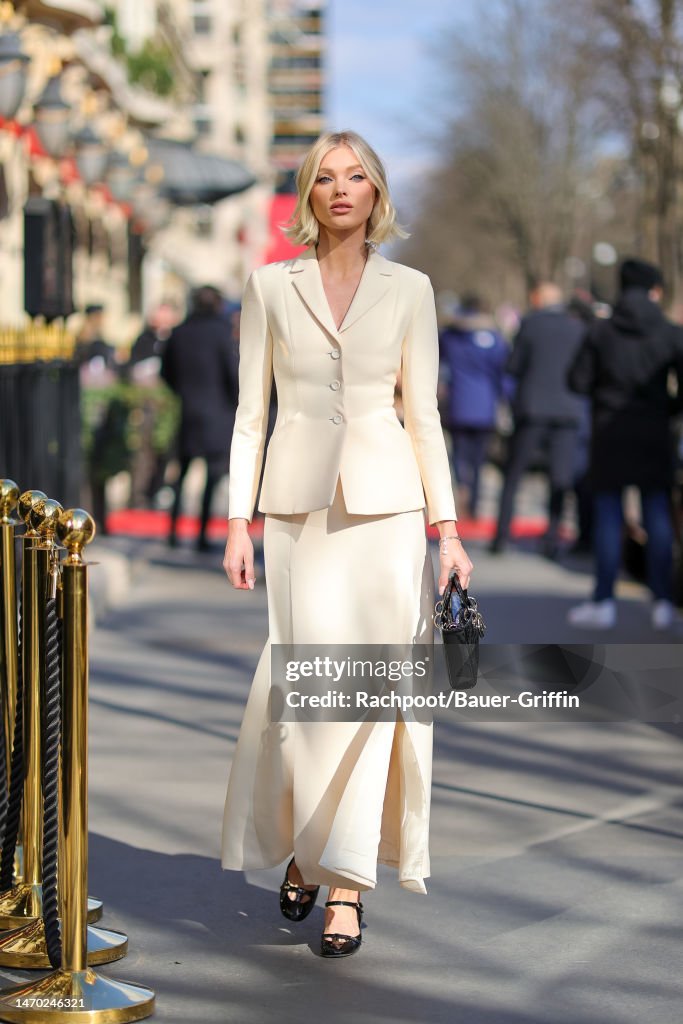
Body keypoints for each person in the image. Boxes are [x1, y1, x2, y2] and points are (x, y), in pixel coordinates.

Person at [221, 129, 473, 958]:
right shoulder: (267, 286)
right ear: (307, 193)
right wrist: (237, 520)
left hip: (389, 514)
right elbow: (250, 414)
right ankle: (302, 844)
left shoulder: (411, 288)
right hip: (296, 515)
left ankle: (346, 884)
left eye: (354, 177)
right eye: (324, 177)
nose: (339, 189)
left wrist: (447, 533)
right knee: (306, 702)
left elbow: (424, 415)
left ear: (375, 194)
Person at [567, 258, 683, 630]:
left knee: (608, 516)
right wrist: (667, 408)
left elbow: (577, 381)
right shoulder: (670, 333)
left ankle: (603, 601)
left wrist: (606, 394)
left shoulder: (601, 332)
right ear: (654, 290)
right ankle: (663, 601)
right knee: (657, 514)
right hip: (654, 433)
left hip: (609, 434)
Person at [489, 282, 587, 557]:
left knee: (514, 474)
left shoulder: (529, 324)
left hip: (532, 409)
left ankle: (501, 536)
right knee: (560, 477)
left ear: (538, 300)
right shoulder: (577, 328)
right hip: (567, 411)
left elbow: (513, 366)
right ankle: (552, 539)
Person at [161, 285, 239, 551]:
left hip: (188, 410)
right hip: (217, 413)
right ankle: (201, 536)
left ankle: (172, 532)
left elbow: (166, 372)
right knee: (211, 475)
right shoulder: (221, 333)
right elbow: (232, 373)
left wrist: (183, 392)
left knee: (181, 474)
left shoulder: (179, 332)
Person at [438, 293, 510, 519]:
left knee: (459, 453)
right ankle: (475, 501)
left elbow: (439, 359)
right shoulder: (496, 339)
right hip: (485, 406)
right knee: (479, 459)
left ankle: (462, 489)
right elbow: (503, 375)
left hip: (458, 403)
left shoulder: (451, 337)